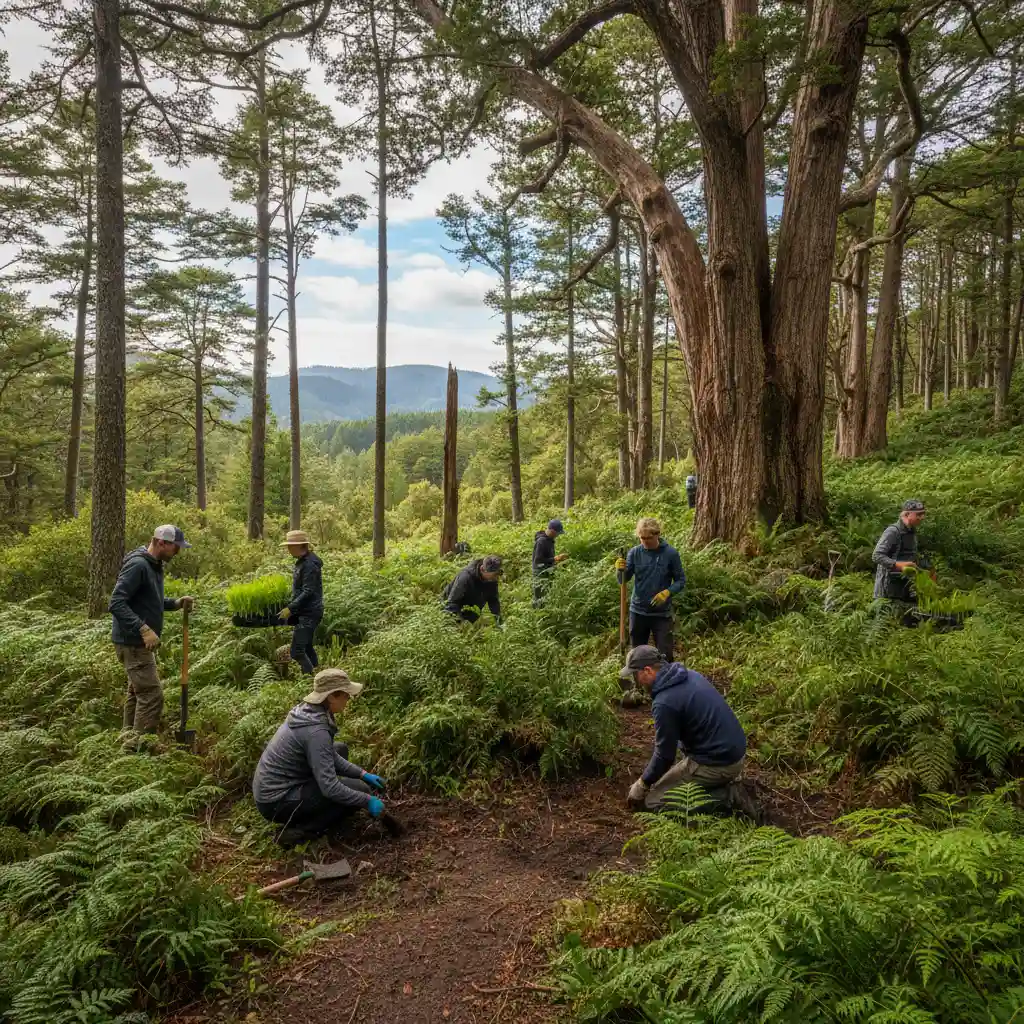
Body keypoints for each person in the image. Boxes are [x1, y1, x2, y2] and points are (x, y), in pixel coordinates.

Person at [253, 668, 387, 844]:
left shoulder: (310, 712)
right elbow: (329, 788)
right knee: (360, 790)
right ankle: (302, 832)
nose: (348, 699)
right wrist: (367, 800)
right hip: (276, 802)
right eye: (345, 695)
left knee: (340, 749)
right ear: (331, 697)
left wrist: (362, 774)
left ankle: (324, 805)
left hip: (279, 786)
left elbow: (330, 755)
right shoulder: (316, 731)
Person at [620, 645, 747, 812]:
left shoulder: (665, 702)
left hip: (719, 763)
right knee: (668, 777)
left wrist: (643, 784)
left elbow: (665, 755)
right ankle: (719, 782)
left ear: (648, 671)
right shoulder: (687, 674)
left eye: (635, 675)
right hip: (732, 751)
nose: (636, 681)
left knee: (653, 802)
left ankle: (726, 797)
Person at [109, 524, 195, 738]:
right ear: (161, 543)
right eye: (176, 547)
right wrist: (143, 628)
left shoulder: (153, 565)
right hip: (133, 643)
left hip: (137, 644)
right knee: (151, 696)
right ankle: (140, 748)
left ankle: (128, 742)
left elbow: (147, 600)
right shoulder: (138, 565)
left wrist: (175, 603)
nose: (178, 551)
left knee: (137, 694)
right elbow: (116, 602)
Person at [614, 517, 685, 661]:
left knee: (665, 655)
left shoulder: (670, 554)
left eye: (649, 538)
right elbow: (623, 580)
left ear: (657, 534)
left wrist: (668, 592)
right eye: (642, 538)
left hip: (661, 613)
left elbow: (681, 580)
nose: (645, 541)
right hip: (638, 611)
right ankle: (638, 676)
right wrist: (619, 570)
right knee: (637, 655)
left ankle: (666, 675)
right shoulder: (635, 553)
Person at [278, 530, 323, 675]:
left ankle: (309, 679)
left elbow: (308, 591)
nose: (288, 549)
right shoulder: (303, 562)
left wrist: (290, 608)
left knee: (296, 651)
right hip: (305, 611)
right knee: (307, 647)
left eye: (290, 546)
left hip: (309, 613)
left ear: (300, 546)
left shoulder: (309, 565)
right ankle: (318, 676)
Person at [872, 499, 931, 603]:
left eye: (923, 514)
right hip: (887, 592)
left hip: (905, 589)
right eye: (919, 514)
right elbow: (877, 555)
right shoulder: (893, 531)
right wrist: (898, 565)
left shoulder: (912, 531)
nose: (922, 517)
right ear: (907, 514)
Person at [443, 554, 503, 623]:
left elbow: (493, 601)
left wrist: (499, 622)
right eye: (494, 574)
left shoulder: (492, 579)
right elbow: (452, 603)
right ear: (482, 569)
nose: (497, 577)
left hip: (472, 608)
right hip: (453, 608)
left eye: (499, 573)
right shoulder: (465, 577)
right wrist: (458, 623)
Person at [532, 519, 568, 607]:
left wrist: (558, 560)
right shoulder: (541, 541)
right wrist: (554, 559)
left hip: (548, 570)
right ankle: (537, 612)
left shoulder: (550, 539)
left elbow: (547, 557)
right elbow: (538, 560)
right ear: (552, 531)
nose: (558, 535)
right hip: (540, 572)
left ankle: (545, 611)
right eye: (557, 533)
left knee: (547, 594)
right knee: (539, 596)